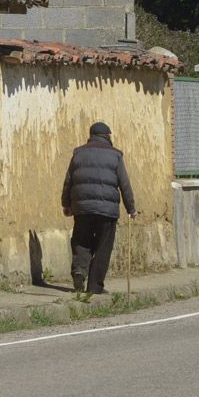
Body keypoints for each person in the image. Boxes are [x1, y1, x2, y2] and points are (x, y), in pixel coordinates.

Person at [61, 122, 136, 294]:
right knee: (103, 247)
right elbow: (124, 184)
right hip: (107, 210)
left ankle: (79, 270)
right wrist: (131, 208)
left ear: (91, 135)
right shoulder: (115, 155)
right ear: (108, 136)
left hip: (82, 207)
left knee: (81, 240)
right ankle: (95, 287)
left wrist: (66, 204)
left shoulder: (78, 153)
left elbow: (68, 181)